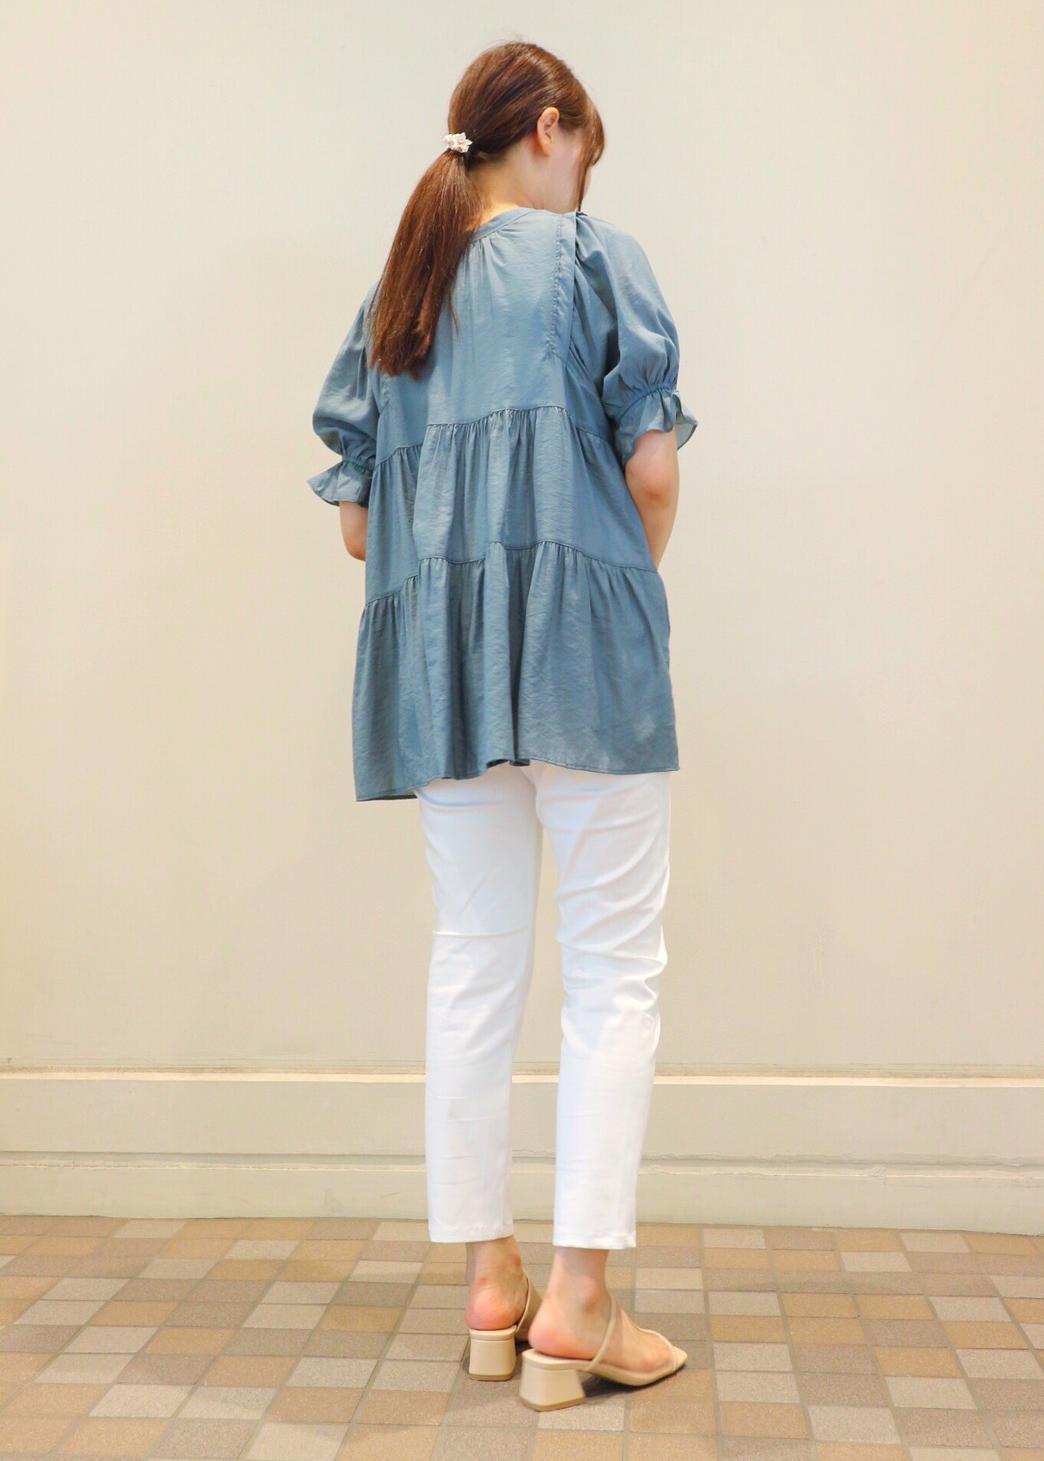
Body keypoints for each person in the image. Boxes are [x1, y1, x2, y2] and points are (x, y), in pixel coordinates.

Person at [306, 40, 698, 1409]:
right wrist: (612, 584)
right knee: (613, 972)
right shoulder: (591, 260)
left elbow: (361, 529)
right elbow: (653, 471)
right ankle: (579, 1308)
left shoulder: (399, 293)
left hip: (446, 674)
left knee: (474, 963)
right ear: (548, 128)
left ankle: (491, 1283)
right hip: (586, 655)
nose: (585, 175)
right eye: (586, 148)